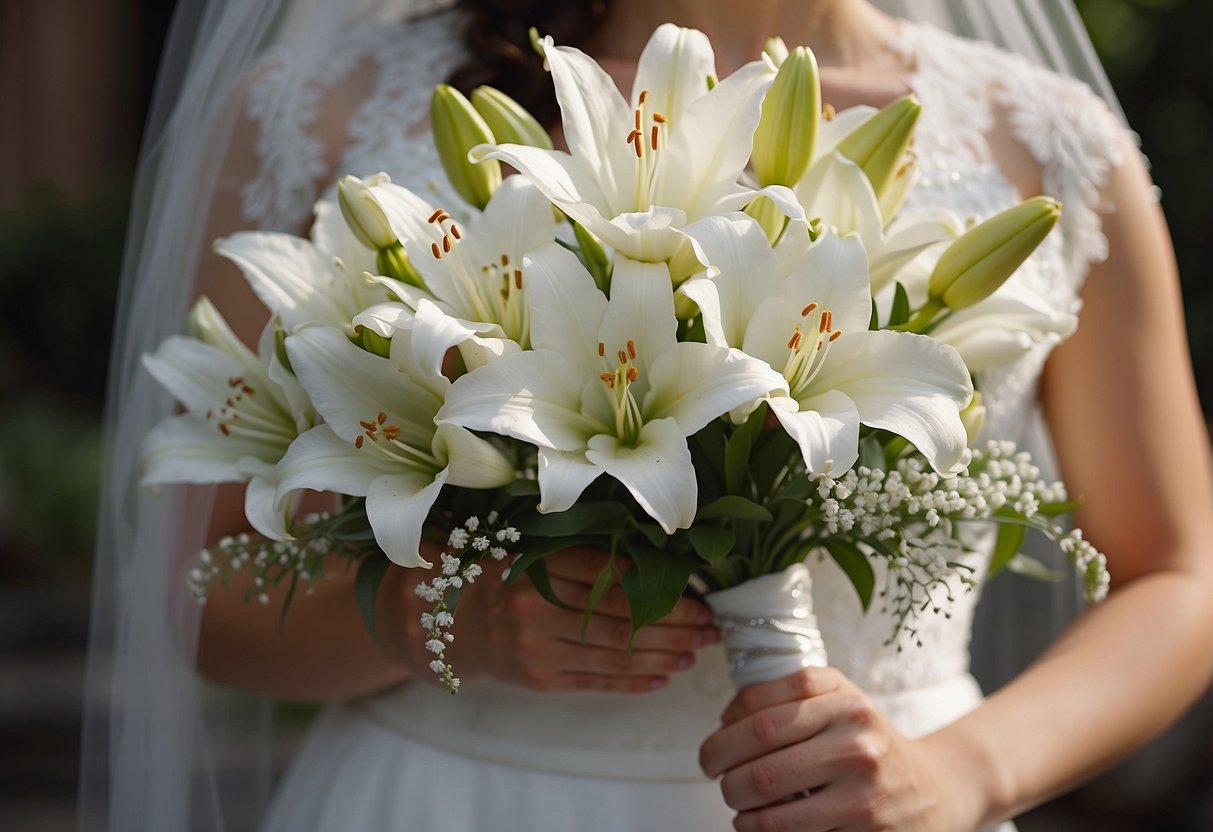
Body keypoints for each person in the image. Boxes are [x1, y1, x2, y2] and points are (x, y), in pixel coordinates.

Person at [80, 0, 1213, 829]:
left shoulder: (1047, 146)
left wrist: (963, 771)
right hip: (455, 798)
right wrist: (449, 624)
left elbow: (1180, 574)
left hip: (887, 802)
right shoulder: (316, 111)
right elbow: (201, 592)